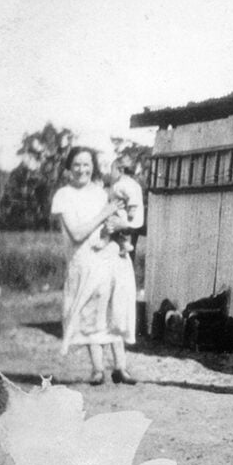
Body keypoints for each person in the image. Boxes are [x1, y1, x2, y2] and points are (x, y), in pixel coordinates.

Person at [50, 147, 138, 385]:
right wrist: (105, 214)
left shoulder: (102, 192)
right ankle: (98, 369)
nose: (82, 169)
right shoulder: (63, 196)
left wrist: (114, 227)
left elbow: (116, 221)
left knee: (113, 309)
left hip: (107, 254)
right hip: (82, 259)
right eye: (76, 165)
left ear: (93, 167)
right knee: (89, 313)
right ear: (68, 169)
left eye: (86, 164)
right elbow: (77, 233)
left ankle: (121, 368)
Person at [95, 153, 144, 258]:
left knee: (107, 224)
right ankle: (124, 245)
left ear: (120, 170)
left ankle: (104, 240)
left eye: (112, 170)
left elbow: (133, 197)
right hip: (136, 221)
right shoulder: (134, 184)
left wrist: (132, 209)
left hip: (127, 218)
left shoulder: (122, 184)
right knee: (115, 233)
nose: (110, 173)